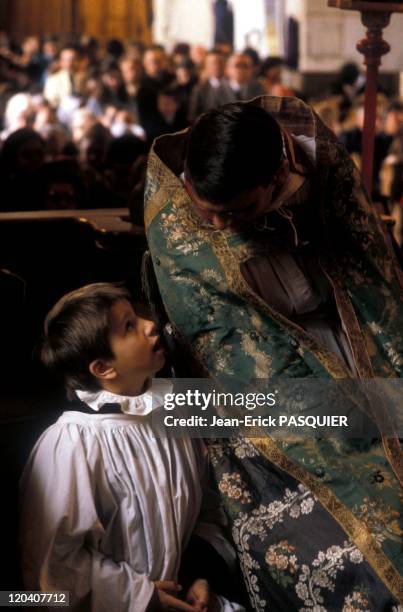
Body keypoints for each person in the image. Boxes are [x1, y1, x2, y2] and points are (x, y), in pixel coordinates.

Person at [144, 98, 403, 610]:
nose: (218, 226)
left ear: (279, 175)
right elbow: (221, 340)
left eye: (237, 212)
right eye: (205, 206)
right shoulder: (172, 200)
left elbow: (372, 285)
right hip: (255, 404)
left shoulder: (318, 168)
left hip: (351, 349)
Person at [19, 283, 245, 612]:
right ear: (103, 368)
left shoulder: (174, 412)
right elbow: (50, 569)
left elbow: (206, 510)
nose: (150, 325)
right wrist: (140, 596)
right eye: (129, 326)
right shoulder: (72, 445)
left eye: (137, 316)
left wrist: (200, 575)